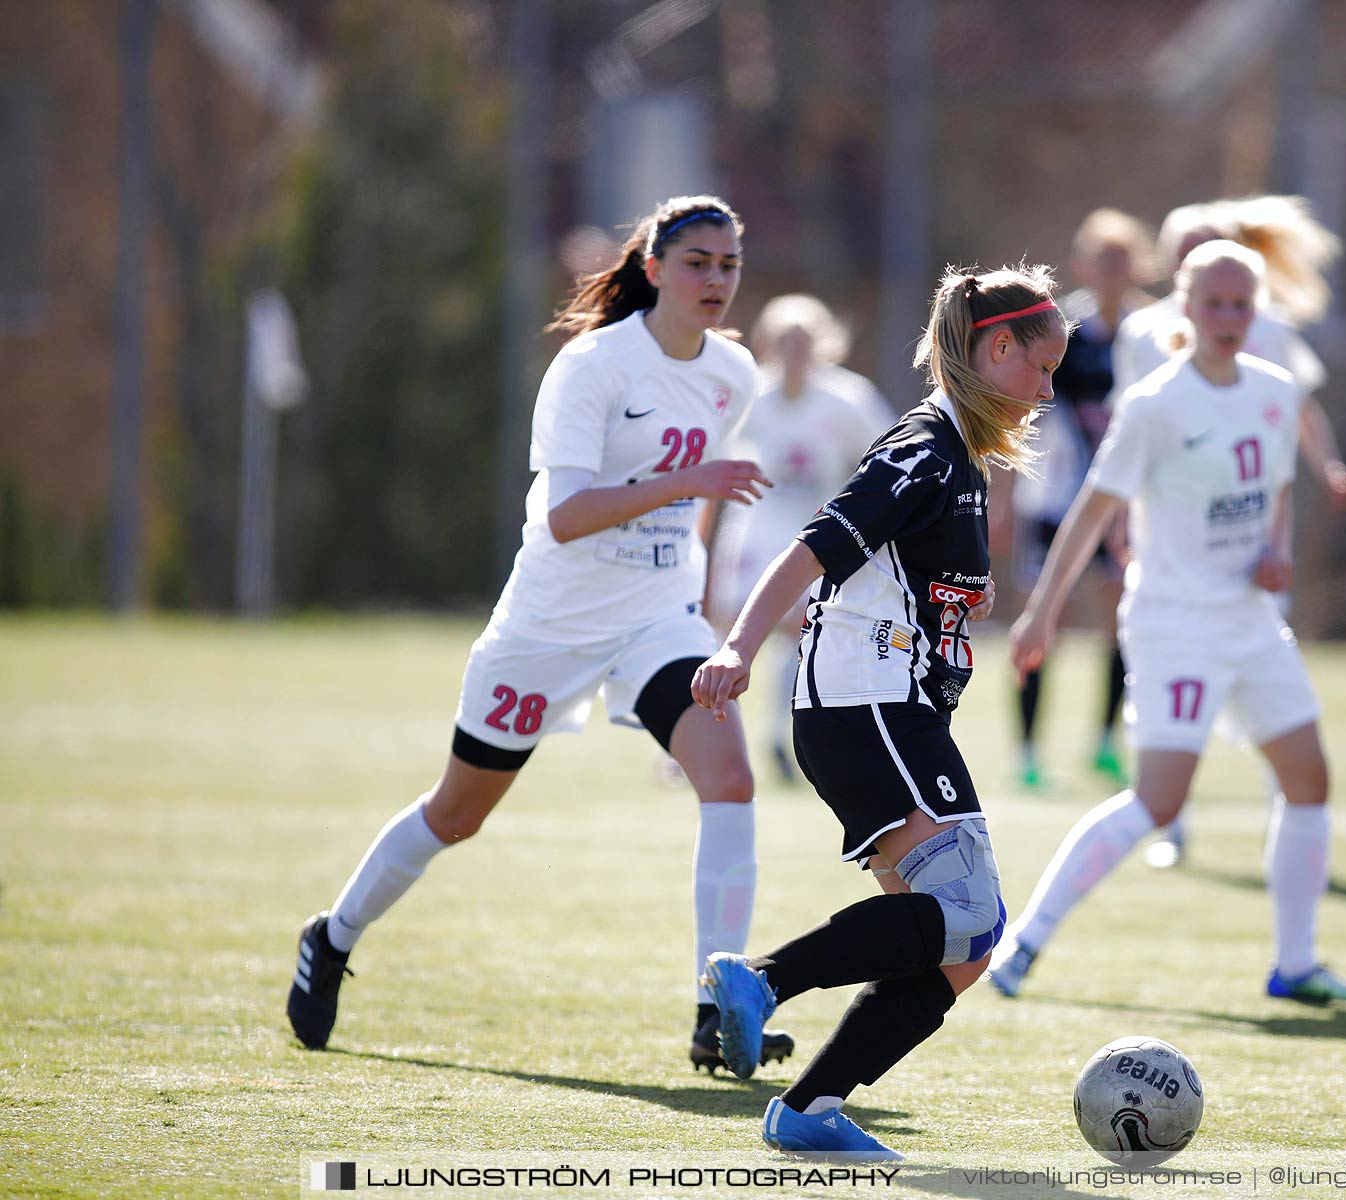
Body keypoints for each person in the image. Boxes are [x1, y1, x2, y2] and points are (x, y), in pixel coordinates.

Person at [285, 195, 801, 1076]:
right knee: (457, 814)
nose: (715, 280)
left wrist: (703, 586)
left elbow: (697, 503)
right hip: (550, 626)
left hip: (655, 618)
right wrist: (692, 477)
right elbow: (564, 516)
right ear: (653, 268)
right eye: (697, 263)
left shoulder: (732, 375)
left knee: (730, 776)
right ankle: (331, 937)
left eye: (729, 265)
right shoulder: (592, 367)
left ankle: (717, 1009)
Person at [689, 265, 1067, 1158]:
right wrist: (739, 647)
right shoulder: (924, 449)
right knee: (971, 914)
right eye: (1040, 367)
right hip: (865, 703)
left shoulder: (964, 454)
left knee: (961, 949)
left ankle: (809, 1108)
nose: (1047, 391)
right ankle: (762, 982)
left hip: (894, 712)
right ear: (996, 346)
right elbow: (811, 545)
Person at [985, 241, 1346, 1006]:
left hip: (1251, 620)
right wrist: (1041, 611)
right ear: (1187, 309)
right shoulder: (1156, 404)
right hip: (1174, 625)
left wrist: (1274, 554)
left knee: (1309, 778)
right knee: (1158, 800)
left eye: (1242, 305)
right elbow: (1091, 512)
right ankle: (1024, 941)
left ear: (1256, 311)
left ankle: (1295, 964)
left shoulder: (1274, 388)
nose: (1229, 318)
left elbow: (1278, 488)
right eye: (1215, 304)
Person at [1125, 196, 1346, 868]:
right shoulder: (1143, 335)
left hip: (1248, 548)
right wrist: (1119, 522)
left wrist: (1329, 465)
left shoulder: (1268, 333)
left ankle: (1287, 817)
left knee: (1273, 694)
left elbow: (1297, 417)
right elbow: (1128, 439)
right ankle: (1171, 824)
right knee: (1175, 698)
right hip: (1174, 548)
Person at [992, 209, 1153, 790]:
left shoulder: (1151, 332)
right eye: (1102, 259)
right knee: (1040, 618)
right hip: (1055, 499)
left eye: (1123, 258)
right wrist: (1004, 498)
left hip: (1122, 501)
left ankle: (1107, 740)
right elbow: (1021, 417)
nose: (1113, 270)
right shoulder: (1065, 331)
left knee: (1120, 619)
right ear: (1084, 265)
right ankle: (1029, 751)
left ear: (1139, 264)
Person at [709, 295, 891, 782]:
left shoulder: (848, 398)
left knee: (799, 630)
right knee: (726, 630)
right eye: (785, 341)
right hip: (754, 529)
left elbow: (889, 453)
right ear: (768, 343)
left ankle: (779, 738)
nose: (795, 352)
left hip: (813, 532)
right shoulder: (750, 397)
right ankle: (702, 741)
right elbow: (708, 456)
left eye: (804, 341)